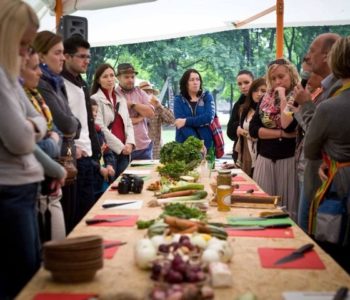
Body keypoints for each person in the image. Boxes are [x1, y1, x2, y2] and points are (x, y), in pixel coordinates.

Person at [0, 1, 46, 298]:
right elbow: (21, 140)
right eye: (23, 44)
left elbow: (37, 120)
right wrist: (35, 127)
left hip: (23, 190)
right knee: (20, 280)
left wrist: (33, 126)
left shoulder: (9, 75)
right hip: (10, 193)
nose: (25, 52)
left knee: (29, 271)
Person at [304, 36, 350, 273]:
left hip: (339, 186)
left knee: (334, 256)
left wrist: (331, 160)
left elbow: (310, 149)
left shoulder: (330, 105)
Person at [33, 30, 81, 234]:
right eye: (57, 52)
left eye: (63, 52)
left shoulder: (56, 82)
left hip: (66, 160)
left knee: (69, 220)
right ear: (41, 55)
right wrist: (68, 127)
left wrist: (70, 126)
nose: (62, 57)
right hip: (52, 168)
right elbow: (67, 123)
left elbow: (73, 127)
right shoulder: (42, 84)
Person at [293, 33, 341, 231]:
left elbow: (316, 135)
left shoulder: (339, 91)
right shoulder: (327, 88)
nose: (307, 56)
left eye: (312, 50)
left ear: (326, 55)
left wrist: (305, 104)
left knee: (312, 233)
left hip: (325, 174)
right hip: (314, 171)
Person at [21, 47, 67, 242]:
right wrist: (51, 142)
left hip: (49, 185)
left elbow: (58, 131)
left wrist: (46, 135)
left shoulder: (35, 97)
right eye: (34, 67)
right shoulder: (20, 97)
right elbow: (29, 145)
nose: (40, 72)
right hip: (36, 187)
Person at [249, 58, 299, 220]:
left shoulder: (298, 96)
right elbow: (253, 129)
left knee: (287, 209)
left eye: (281, 77)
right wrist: (281, 135)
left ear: (291, 75)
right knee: (263, 208)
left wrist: (283, 97)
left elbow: (288, 126)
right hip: (265, 158)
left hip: (288, 159)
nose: (277, 82)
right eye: (273, 78)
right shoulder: (265, 99)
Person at [62, 35, 100, 222]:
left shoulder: (81, 83)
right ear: (67, 57)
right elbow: (59, 126)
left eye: (88, 57)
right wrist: (71, 151)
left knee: (88, 214)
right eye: (82, 56)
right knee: (74, 217)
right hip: (73, 158)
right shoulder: (60, 83)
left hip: (88, 157)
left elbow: (88, 123)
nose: (87, 61)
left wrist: (95, 153)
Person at [91, 63, 135, 178]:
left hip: (125, 151)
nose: (109, 79)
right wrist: (121, 147)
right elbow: (100, 128)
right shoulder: (95, 99)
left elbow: (128, 123)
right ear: (98, 80)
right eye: (105, 76)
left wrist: (130, 143)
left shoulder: (121, 98)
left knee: (124, 185)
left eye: (111, 75)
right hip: (109, 153)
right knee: (111, 189)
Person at [115, 63, 155, 160]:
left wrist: (132, 105)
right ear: (118, 78)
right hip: (123, 147)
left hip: (143, 146)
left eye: (132, 77)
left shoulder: (140, 92)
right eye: (127, 77)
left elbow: (150, 113)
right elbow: (116, 120)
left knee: (146, 175)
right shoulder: (114, 94)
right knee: (124, 175)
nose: (130, 80)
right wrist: (139, 118)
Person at [173, 68, 215, 151]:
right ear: (186, 83)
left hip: (207, 144)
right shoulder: (178, 100)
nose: (195, 82)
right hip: (185, 146)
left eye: (197, 79)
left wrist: (186, 121)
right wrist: (197, 144)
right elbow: (181, 125)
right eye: (191, 80)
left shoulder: (207, 96)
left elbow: (208, 117)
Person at [235, 78, 267, 176]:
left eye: (263, 91)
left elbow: (258, 136)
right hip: (246, 155)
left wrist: (242, 131)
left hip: (261, 156)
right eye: (255, 90)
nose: (259, 94)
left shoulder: (269, 112)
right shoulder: (244, 109)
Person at [139, 81, 175, 159]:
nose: (148, 94)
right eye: (145, 92)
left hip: (156, 151)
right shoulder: (135, 108)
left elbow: (172, 120)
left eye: (150, 92)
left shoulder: (157, 108)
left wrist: (159, 105)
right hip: (140, 151)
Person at [90, 99, 116, 199]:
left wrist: (109, 165)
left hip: (103, 179)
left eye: (96, 111)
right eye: (92, 110)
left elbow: (107, 151)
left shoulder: (98, 131)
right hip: (92, 179)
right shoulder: (82, 133)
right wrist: (99, 168)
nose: (95, 114)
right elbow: (85, 158)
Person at [227, 70, 254, 162]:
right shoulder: (238, 104)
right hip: (241, 152)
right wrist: (237, 127)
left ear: (253, 82)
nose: (243, 86)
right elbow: (230, 132)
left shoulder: (261, 102)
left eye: (246, 82)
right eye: (239, 84)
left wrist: (241, 130)